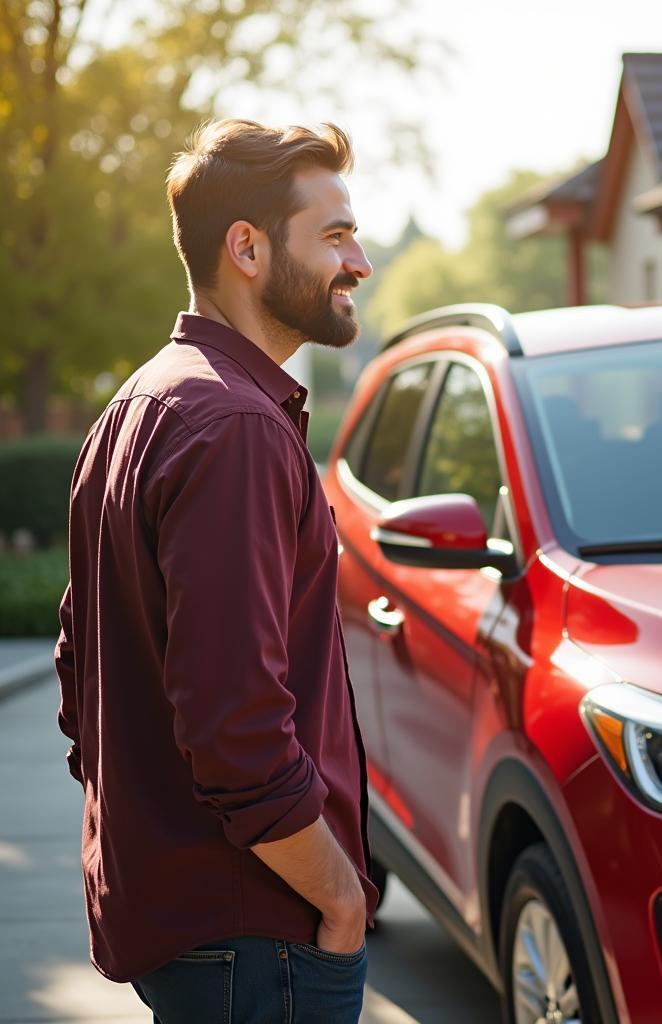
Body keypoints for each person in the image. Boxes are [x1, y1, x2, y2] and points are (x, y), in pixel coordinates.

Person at [54, 119, 377, 1023]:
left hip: (200, 930)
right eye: (335, 234)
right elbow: (238, 733)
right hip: (258, 935)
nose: (358, 261)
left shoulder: (139, 404)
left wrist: (151, 831)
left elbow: (80, 674)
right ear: (247, 247)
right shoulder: (232, 427)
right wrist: (342, 899)